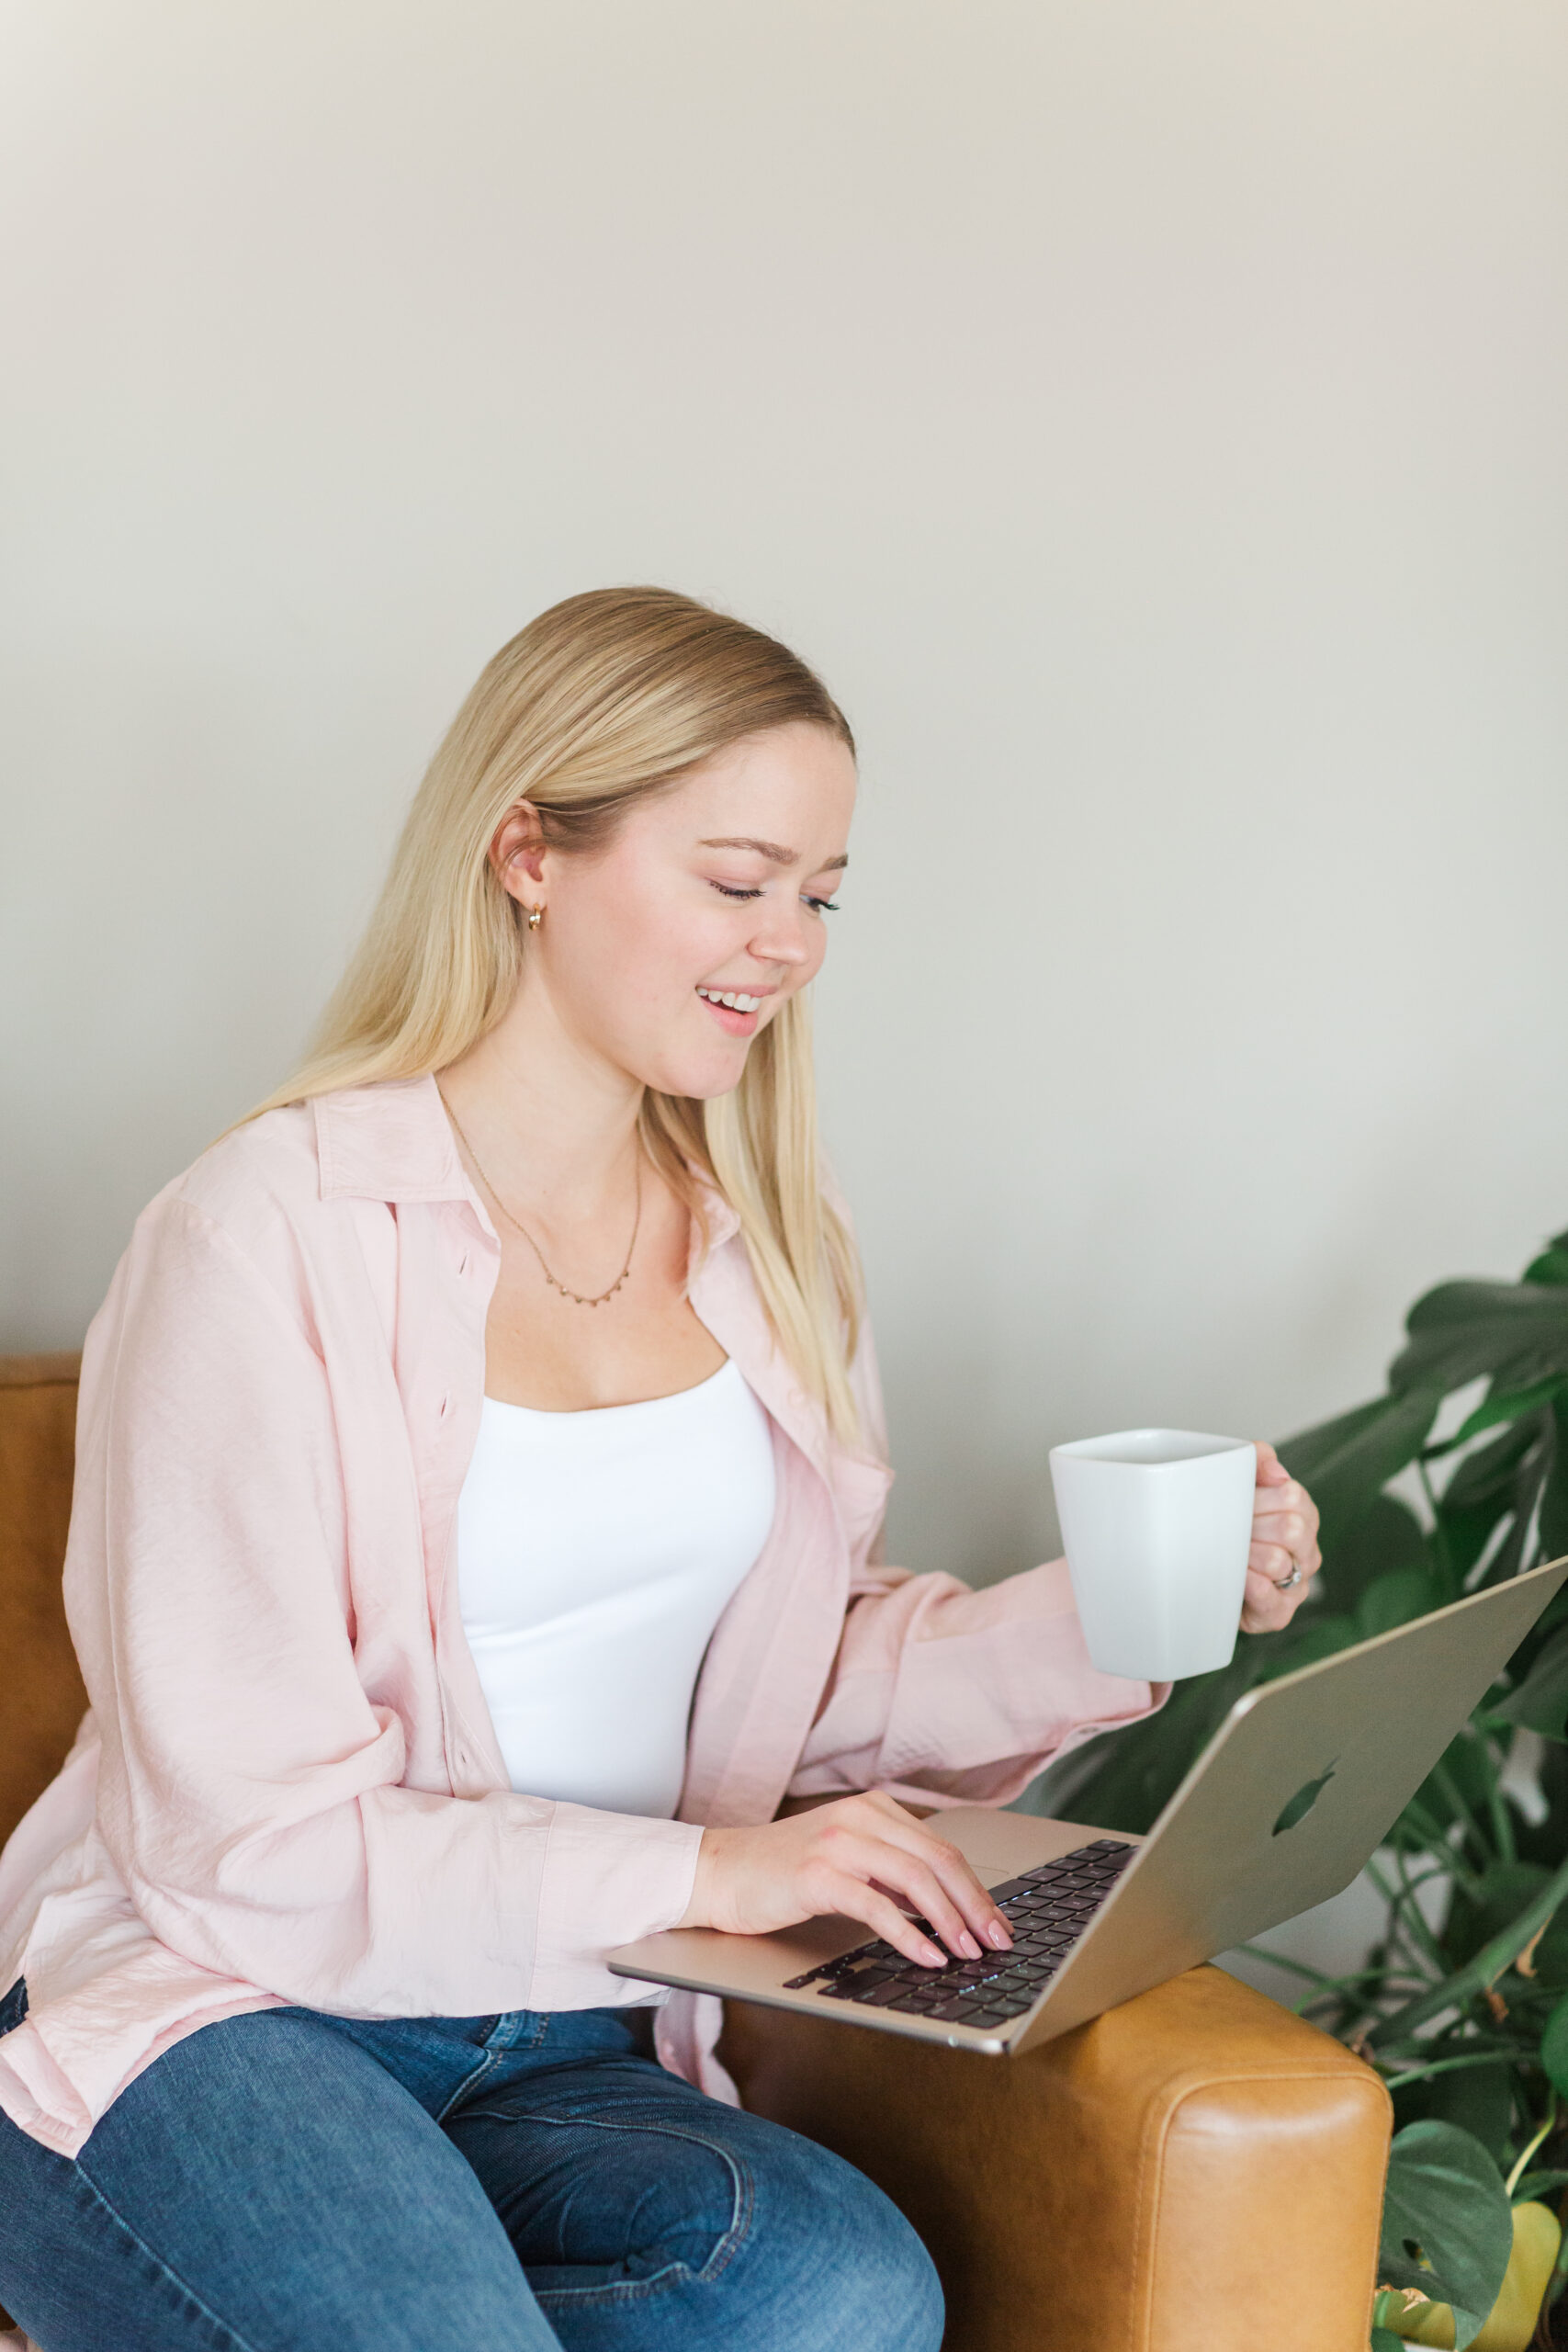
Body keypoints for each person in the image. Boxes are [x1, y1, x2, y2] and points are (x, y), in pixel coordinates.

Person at [0, 588, 1319, 2351]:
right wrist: (707, 1882)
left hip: (560, 2021)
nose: (791, 943)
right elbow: (247, 1842)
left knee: (842, 2298)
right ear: (529, 850)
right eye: (738, 877)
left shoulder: (771, 1237)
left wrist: (1106, 1615)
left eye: (822, 892)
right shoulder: (263, 1235)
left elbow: (775, 1681)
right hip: (213, 2008)